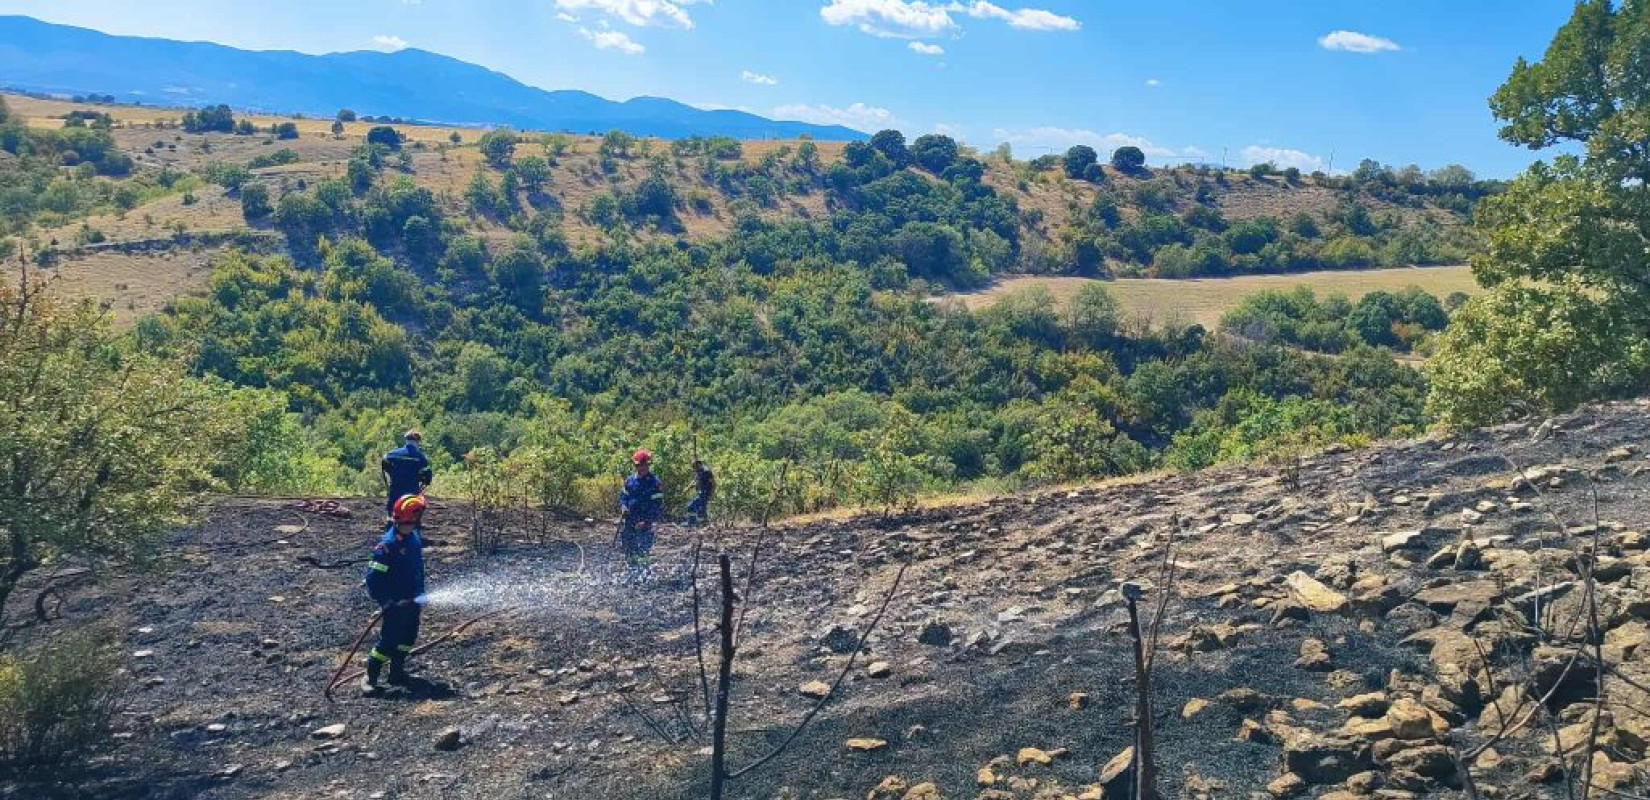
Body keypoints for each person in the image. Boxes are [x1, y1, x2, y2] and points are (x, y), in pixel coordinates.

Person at [362, 494, 427, 694]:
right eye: (410, 521)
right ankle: (370, 677)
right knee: (389, 642)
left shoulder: (413, 538)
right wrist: (385, 601)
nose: (412, 524)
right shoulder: (387, 546)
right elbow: (373, 578)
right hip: (395, 604)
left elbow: (418, 569)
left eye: (414, 521)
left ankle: (396, 672)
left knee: (408, 638)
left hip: (412, 602)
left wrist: (420, 592)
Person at [617, 449, 665, 571]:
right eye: (638, 465)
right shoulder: (629, 481)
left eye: (643, 465)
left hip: (645, 523)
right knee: (629, 548)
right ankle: (630, 571)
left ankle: (643, 575)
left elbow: (657, 506)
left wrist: (646, 521)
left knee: (643, 551)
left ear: (648, 464)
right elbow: (623, 496)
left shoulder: (655, 483)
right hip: (630, 521)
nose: (641, 467)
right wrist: (623, 506)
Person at [381, 430, 433, 518]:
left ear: (406, 440)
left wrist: (392, 473)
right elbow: (427, 476)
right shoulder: (421, 457)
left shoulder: (392, 454)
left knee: (391, 519)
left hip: (395, 493)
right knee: (412, 519)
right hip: (411, 494)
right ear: (417, 441)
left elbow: (384, 463)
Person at [686, 459, 716, 525]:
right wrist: (688, 488)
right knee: (698, 508)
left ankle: (696, 523)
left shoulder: (707, 471)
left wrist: (712, 493)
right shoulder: (699, 471)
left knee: (694, 507)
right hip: (701, 492)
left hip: (705, 493)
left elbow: (713, 483)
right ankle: (697, 523)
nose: (694, 469)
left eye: (694, 466)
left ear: (699, 465)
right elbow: (695, 480)